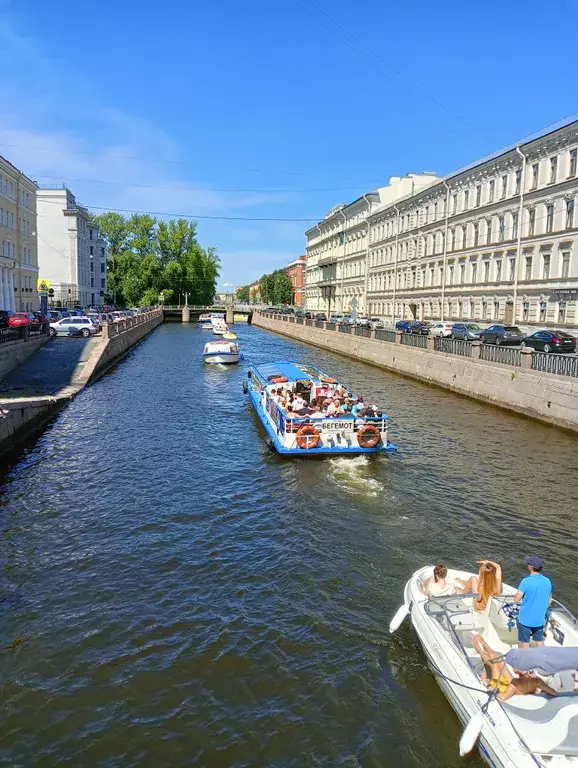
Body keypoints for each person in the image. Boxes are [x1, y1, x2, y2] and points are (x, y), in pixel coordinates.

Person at [472, 634, 557, 701]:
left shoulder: (514, 685)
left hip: (503, 689)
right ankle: (484, 646)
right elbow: (554, 693)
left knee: (494, 665)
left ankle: (480, 650)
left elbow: (502, 697)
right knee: (499, 661)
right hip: (517, 687)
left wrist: (486, 682)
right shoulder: (537, 681)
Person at [514, 555, 552, 649]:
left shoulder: (526, 581)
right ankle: (543, 657)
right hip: (539, 620)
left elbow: (516, 599)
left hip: (525, 620)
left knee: (524, 643)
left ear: (531, 567)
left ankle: (526, 661)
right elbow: (549, 600)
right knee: (539, 641)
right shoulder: (547, 581)